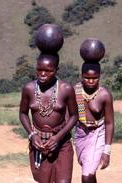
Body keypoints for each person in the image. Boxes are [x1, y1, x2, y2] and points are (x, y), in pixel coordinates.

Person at [19, 53, 78, 183]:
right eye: (39, 70)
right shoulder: (29, 89)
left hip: (62, 143)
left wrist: (58, 137)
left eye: (48, 71)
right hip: (40, 145)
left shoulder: (66, 89)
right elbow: (23, 113)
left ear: (56, 70)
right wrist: (32, 135)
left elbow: (74, 116)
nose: (43, 74)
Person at [74, 61, 115, 183]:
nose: (91, 81)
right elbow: (69, 115)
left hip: (98, 133)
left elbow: (109, 123)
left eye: (94, 78)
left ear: (100, 76)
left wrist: (107, 151)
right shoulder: (75, 91)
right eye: (87, 78)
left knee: (86, 175)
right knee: (89, 171)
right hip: (80, 133)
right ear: (81, 75)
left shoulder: (104, 95)